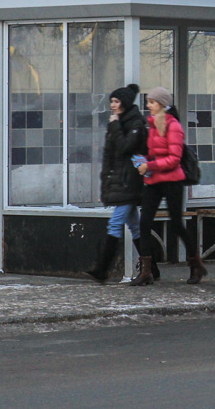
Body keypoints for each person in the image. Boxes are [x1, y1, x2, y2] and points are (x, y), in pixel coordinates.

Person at [130, 87, 208, 285]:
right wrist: (142, 160)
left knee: (176, 224)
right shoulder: (153, 125)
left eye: (152, 103)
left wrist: (150, 164)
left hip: (173, 181)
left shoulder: (174, 126)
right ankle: (146, 272)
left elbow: (174, 159)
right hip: (153, 181)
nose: (148, 106)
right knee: (144, 223)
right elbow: (154, 153)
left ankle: (195, 265)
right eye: (148, 102)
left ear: (162, 105)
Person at [87, 84, 153, 283]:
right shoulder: (118, 123)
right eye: (112, 102)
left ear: (124, 103)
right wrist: (105, 183)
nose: (113, 105)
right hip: (120, 181)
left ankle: (102, 269)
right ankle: (151, 269)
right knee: (135, 226)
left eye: (116, 102)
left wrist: (115, 126)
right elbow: (109, 155)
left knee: (115, 224)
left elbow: (125, 147)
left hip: (130, 182)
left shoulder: (135, 124)